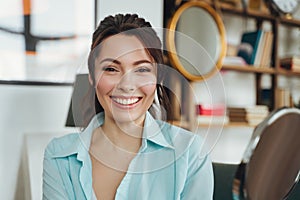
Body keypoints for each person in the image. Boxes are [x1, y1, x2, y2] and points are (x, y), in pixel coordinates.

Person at [43, 13, 214, 200]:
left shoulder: (190, 153)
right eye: (111, 69)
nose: (126, 85)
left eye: (142, 69)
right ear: (91, 76)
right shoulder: (59, 155)